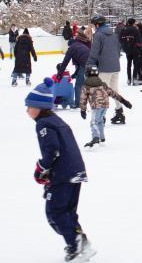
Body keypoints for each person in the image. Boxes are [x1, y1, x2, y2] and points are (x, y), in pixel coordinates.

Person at [26, 78, 93, 261]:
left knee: (55, 212)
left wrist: (41, 168)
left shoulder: (43, 124)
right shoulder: (56, 120)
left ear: (39, 107)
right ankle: (80, 244)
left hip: (63, 174)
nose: (27, 111)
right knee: (67, 211)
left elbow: (52, 150)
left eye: (29, 106)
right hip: (75, 171)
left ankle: (75, 243)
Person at [79, 65, 132, 147]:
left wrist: (83, 110)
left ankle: (95, 138)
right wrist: (124, 101)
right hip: (105, 105)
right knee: (99, 121)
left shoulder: (86, 85)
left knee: (94, 122)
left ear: (86, 74)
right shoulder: (102, 84)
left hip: (96, 106)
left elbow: (83, 99)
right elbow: (113, 93)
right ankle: (101, 138)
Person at [87, 15, 126, 125]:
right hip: (115, 66)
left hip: (104, 68)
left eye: (94, 25)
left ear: (97, 24)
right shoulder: (114, 34)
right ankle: (120, 112)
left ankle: (100, 117)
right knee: (114, 90)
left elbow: (94, 52)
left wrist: (89, 64)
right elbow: (118, 51)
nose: (94, 27)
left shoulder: (98, 35)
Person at [60, 30, 91, 108]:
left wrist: (60, 74)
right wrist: (75, 74)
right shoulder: (80, 45)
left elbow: (65, 62)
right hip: (93, 64)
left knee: (78, 85)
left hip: (86, 65)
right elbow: (80, 63)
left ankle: (78, 104)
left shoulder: (72, 48)